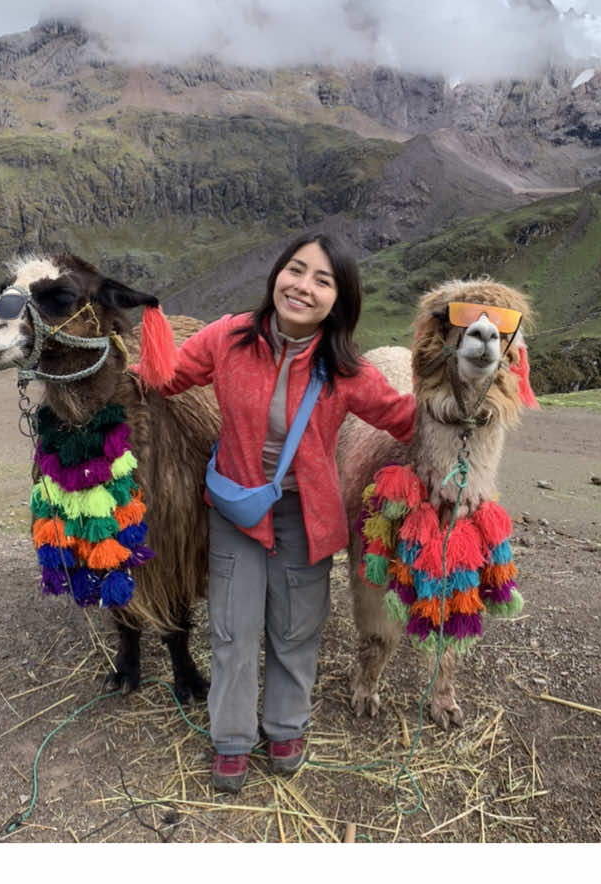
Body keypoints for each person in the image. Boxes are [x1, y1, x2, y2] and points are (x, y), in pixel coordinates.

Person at [159, 232, 416, 793]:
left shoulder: (346, 370)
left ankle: (285, 727)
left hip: (305, 515)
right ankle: (230, 739)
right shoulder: (227, 339)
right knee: (232, 628)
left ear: (338, 299)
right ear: (277, 274)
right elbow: (168, 378)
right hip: (235, 512)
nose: (303, 286)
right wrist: (119, 356)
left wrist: (467, 396)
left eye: (322, 280)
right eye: (296, 270)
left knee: (296, 629)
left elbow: (405, 419)